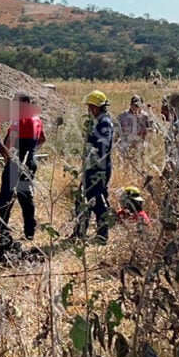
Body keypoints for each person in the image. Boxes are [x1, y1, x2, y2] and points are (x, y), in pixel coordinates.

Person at [0, 92, 46, 241]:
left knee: (6, 196)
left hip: (16, 162)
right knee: (25, 195)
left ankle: (0, 230)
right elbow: (42, 138)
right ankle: (30, 231)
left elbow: (11, 138)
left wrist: (7, 155)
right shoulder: (36, 118)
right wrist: (32, 154)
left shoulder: (19, 118)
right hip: (29, 162)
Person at [73, 90, 114, 244]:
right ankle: (79, 233)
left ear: (99, 107)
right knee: (83, 200)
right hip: (92, 167)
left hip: (98, 169)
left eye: (91, 106)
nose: (89, 109)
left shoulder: (104, 123)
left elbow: (103, 147)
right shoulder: (97, 121)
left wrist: (91, 158)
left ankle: (102, 235)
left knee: (97, 200)